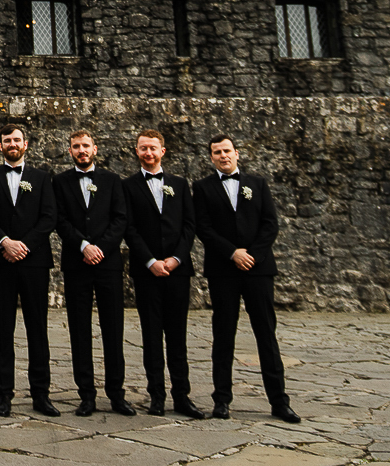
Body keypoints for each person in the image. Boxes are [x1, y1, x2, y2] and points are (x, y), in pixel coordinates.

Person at [193, 135, 299, 424]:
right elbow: (203, 227)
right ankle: (222, 400)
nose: (223, 156)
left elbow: (270, 224)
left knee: (266, 334)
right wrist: (232, 253)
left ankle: (279, 402)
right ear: (211, 157)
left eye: (227, 151)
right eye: (217, 152)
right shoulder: (202, 188)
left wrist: (252, 255)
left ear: (237, 154)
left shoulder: (258, 184)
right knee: (223, 335)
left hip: (258, 270)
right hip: (223, 270)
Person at [0, 121, 57, 416]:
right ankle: (4, 394)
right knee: (2, 328)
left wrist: (24, 246)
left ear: (26, 144)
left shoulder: (42, 177)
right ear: (1, 146)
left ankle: (41, 393)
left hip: (33, 261)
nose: (12, 144)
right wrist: (5, 242)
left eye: (17, 140)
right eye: (7, 140)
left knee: (38, 328)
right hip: (0, 261)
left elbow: (49, 217)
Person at [123, 129, 204, 418]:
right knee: (151, 336)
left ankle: (182, 396)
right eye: (143, 148)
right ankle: (156, 395)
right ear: (136, 151)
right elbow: (129, 228)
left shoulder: (180, 185)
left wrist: (176, 259)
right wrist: (150, 261)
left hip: (177, 272)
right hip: (147, 272)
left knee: (177, 336)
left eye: (153, 148)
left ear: (163, 151)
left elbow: (189, 225)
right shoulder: (128, 186)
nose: (148, 153)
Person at [53, 129, 132, 416]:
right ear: (70, 150)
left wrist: (101, 247)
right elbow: (59, 220)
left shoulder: (112, 181)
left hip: (108, 264)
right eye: (76, 146)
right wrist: (84, 246)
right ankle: (86, 394)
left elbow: (120, 218)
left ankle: (117, 394)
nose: (81, 150)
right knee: (79, 330)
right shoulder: (60, 182)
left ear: (95, 149)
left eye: (86, 146)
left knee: (113, 329)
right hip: (77, 264)